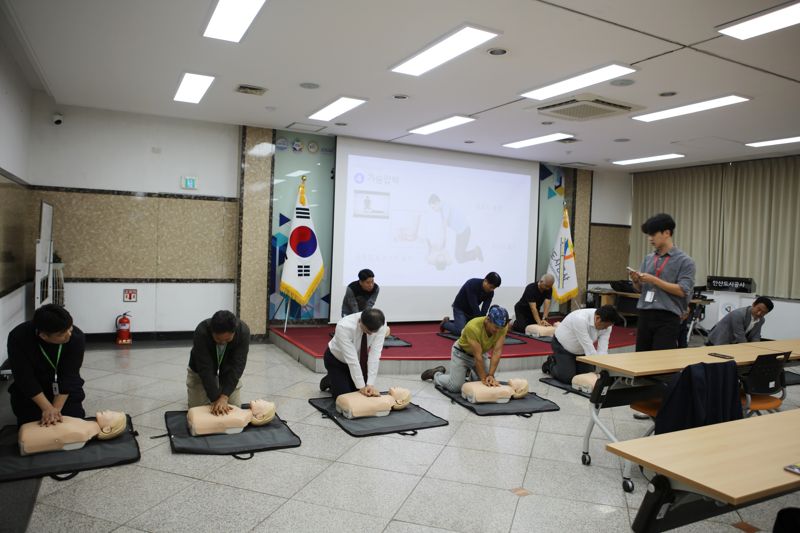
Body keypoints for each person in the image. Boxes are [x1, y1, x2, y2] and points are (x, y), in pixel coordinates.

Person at [7, 304, 86, 427]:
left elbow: (69, 376)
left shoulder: (76, 337)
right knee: (33, 427)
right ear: (43, 336)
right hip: (32, 391)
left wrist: (55, 410)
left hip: (64, 391)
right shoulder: (19, 337)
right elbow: (24, 377)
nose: (69, 335)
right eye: (61, 334)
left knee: (73, 422)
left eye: (70, 329)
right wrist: (46, 407)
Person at [628, 213, 696, 351]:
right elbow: (641, 289)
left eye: (653, 234)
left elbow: (683, 290)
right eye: (649, 235)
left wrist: (654, 280)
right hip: (645, 314)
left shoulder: (685, 261)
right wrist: (636, 281)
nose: (650, 239)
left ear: (667, 233)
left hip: (668, 316)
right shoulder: (648, 258)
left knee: (661, 360)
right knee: (641, 358)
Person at [422, 305, 510, 392]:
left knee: (486, 380)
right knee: (455, 387)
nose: (498, 330)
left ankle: (470, 373)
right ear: (488, 320)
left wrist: (491, 375)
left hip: (481, 354)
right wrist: (483, 379)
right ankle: (436, 374)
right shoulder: (473, 327)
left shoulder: (502, 326)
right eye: (496, 327)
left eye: (500, 328)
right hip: (461, 354)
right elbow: (478, 358)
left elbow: (497, 352)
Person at [187, 310, 250, 415]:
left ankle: (220, 385)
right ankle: (214, 386)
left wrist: (224, 396)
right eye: (218, 340)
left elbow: (238, 365)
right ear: (212, 331)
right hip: (200, 370)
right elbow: (205, 369)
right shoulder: (202, 331)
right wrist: (216, 399)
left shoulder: (243, 332)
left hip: (228, 369)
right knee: (197, 411)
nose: (222, 343)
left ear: (234, 332)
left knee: (235, 408)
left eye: (227, 339)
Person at [321, 308, 388, 399]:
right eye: (368, 331)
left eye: (373, 332)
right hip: (336, 361)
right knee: (345, 397)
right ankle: (329, 380)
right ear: (360, 321)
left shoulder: (381, 325)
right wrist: (361, 386)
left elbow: (375, 355)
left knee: (362, 394)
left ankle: (341, 379)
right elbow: (352, 360)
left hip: (358, 361)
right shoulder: (344, 326)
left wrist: (370, 384)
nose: (371, 334)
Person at [545, 306, 620, 384]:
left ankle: (571, 364)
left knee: (584, 376)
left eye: (608, 326)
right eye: (605, 326)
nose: (606, 328)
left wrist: (604, 371)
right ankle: (550, 363)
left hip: (581, 350)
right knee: (568, 378)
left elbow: (603, 350)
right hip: (562, 347)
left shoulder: (608, 325)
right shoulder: (580, 319)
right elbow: (589, 348)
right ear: (598, 318)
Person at [428, 194, 483, 264]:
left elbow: (444, 224)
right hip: (460, 233)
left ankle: (476, 252)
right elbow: (443, 226)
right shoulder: (443, 209)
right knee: (458, 257)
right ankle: (475, 252)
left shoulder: (445, 206)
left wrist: (443, 242)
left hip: (464, 231)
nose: (433, 210)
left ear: (436, 203)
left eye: (433, 207)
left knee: (459, 258)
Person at [707, 297, 774, 346]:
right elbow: (739, 335)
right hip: (719, 339)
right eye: (758, 309)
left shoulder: (761, 320)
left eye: (763, 312)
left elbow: (755, 336)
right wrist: (748, 349)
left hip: (733, 342)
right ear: (753, 304)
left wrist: (756, 348)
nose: (759, 313)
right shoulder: (739, 314)